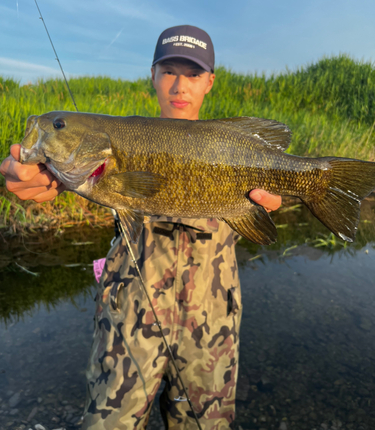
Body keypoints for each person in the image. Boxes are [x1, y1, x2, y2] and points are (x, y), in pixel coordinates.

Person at [0, 25, 281, 429]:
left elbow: (264, 207)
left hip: (213, 321)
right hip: (128, 319)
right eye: (169, 70)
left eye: (193, 73)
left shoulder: (231, 144)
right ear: (152, 75)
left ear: (210, 82)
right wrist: (35, 180)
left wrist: (287, 194)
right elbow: (46, 178)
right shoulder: (115, 145)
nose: (180, 85)